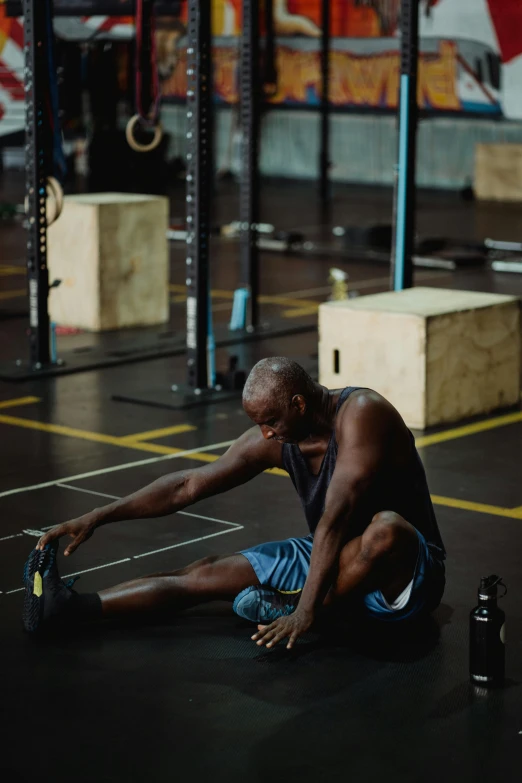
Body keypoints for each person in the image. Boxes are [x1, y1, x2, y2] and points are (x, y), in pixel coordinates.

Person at [23, 357, 446, 650]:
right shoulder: (281, 437)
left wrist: (303, 611)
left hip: (406, 575)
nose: (264, 435)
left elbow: (336, 517)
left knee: (386, 529)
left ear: (299, 403)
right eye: (258, 424)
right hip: (332, 557)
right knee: (207, 573)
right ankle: (69, 608)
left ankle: (313, 613)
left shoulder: (362, 413)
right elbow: (187, 486)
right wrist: (99, 516)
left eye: (270, 422)